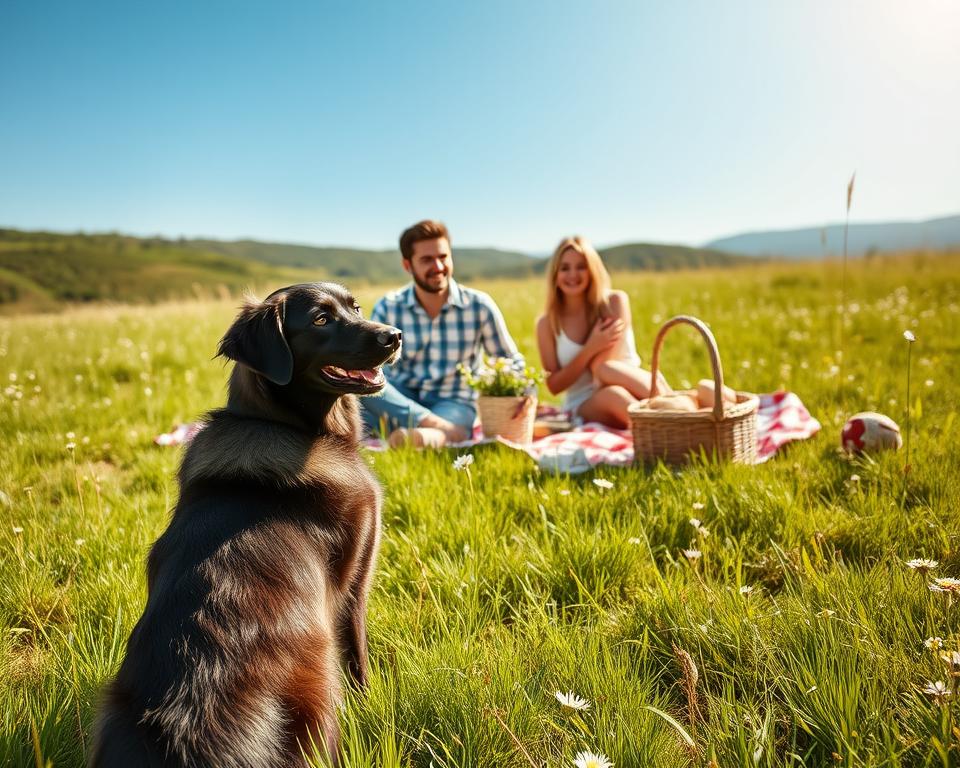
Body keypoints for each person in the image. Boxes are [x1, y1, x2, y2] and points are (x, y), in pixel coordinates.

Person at [362, 220, 524, 447]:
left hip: (454, 401)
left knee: (363, 422)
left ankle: (416, 434)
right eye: (427, 260)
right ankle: (439, 432)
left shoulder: (479, 305)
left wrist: (523, 392)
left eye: (443, 257)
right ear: (408, 265)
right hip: (400, 397)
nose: (438, 266)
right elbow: (372, 366)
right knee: (359, 385)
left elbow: (511, 360)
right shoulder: (388, 306)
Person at [536, 235, 670, 429]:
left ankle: (676, 412)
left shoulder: (614, 302)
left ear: (592, 270)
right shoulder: (547, 324)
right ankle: (664, 431)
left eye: (581, 266)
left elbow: (603, 369)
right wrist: (590, 347)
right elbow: (554, 386)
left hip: (634, 385)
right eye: (565, 268)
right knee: (613, 395)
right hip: (584, 402)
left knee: (609, 376)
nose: (573, 274)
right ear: (555, 275)